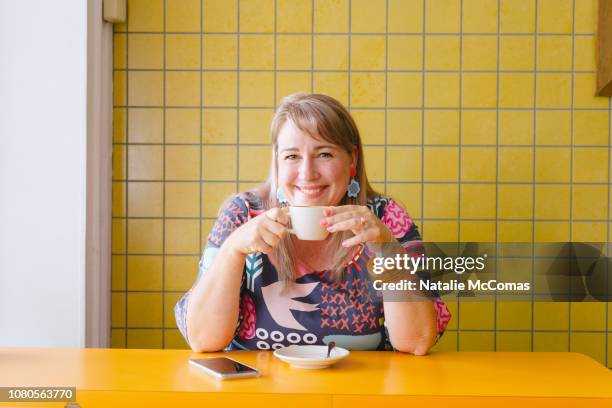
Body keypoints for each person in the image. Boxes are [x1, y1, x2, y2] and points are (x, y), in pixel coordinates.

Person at [175, 93, 451, 354]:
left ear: (352, 159)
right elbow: (202, 339)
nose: (307, 173)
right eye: (292, 156)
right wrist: (232, 249)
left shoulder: (386, 218)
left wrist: (387, 250)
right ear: (277, 162)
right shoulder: (243, 214)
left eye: (324, 154)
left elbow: (415, 342)